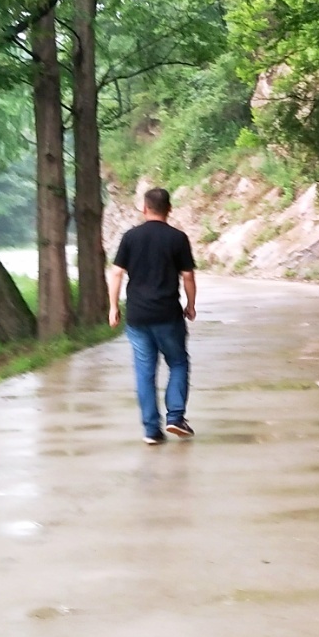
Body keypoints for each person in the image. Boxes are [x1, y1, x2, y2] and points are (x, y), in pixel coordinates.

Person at [108, 186, 197, 444]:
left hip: (137, 316)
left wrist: (113, 307)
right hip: (168, 314)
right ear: (169, 209)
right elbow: (188, 275)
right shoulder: (178, 238)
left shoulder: (130, 237)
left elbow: (116, 273)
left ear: (144, 208)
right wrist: (191, 304)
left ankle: (151, 431)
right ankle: (175, 417)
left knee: (144, 371)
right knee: (178, 362)